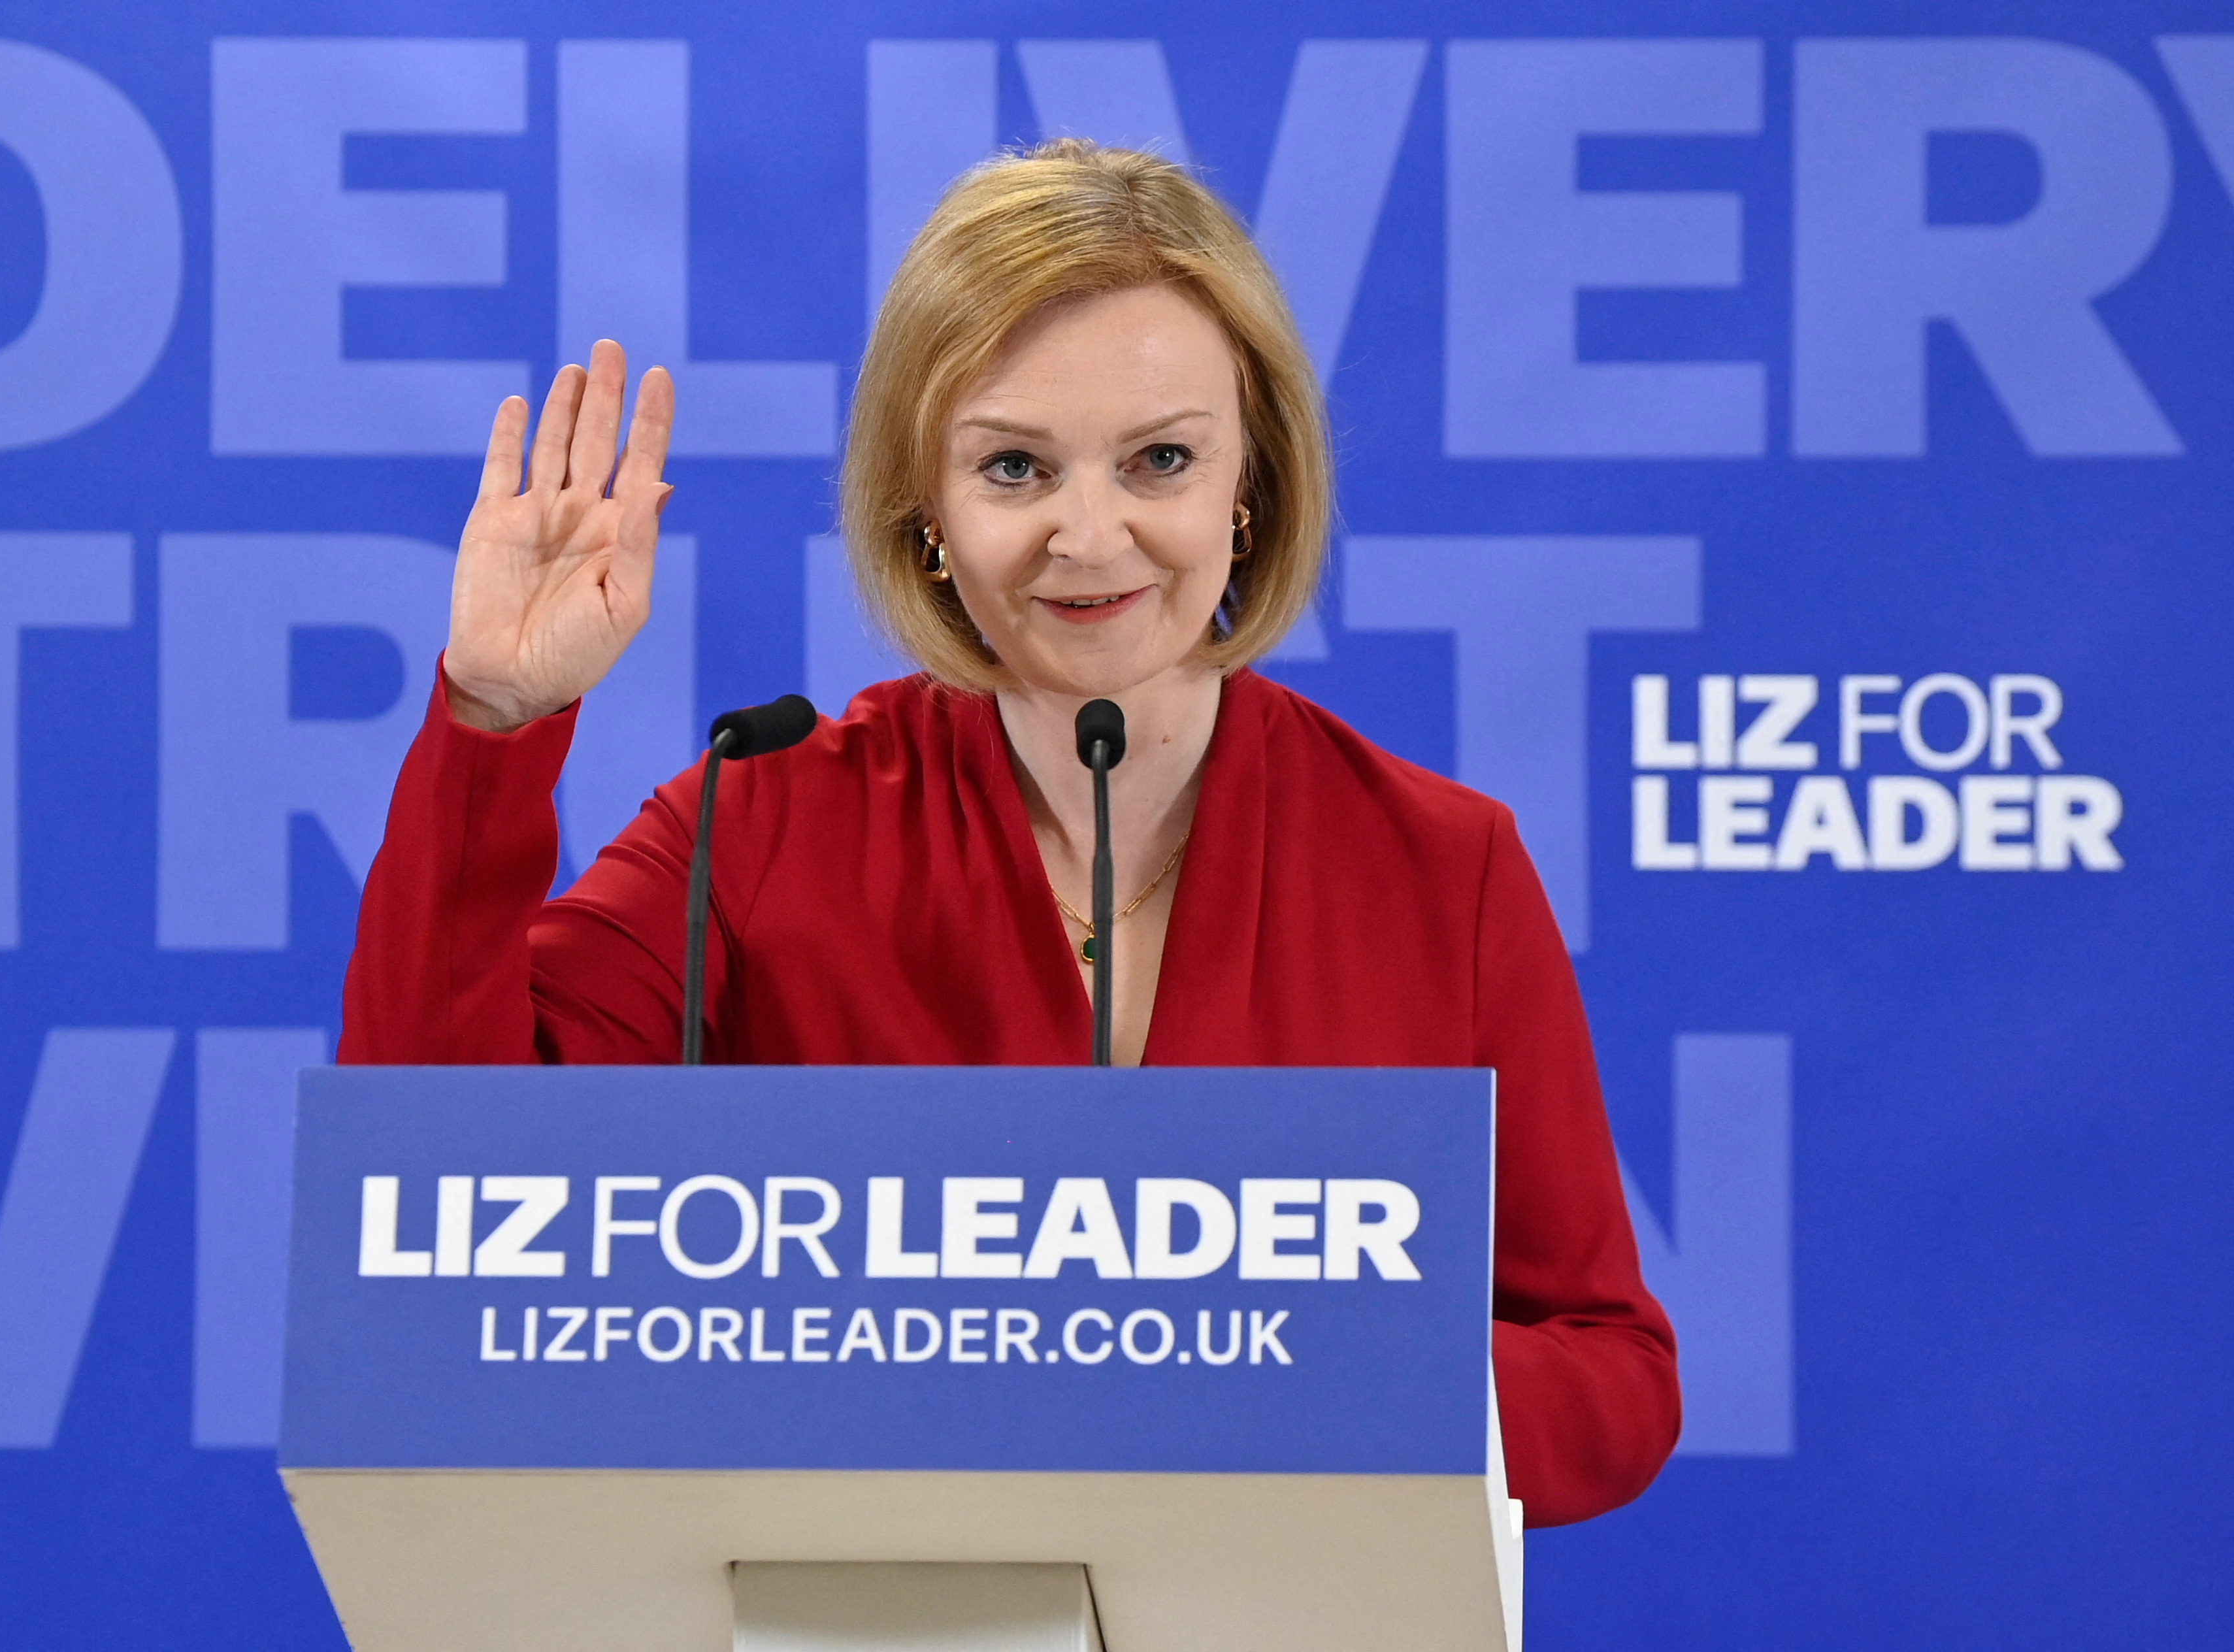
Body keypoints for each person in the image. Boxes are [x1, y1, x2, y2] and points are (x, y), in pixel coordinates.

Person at [341, 140, 1679, 1525]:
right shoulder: (762, 820)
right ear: (926, 505)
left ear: (1251, 475)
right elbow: (434, 1193)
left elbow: (1610, 1372)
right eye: (1016, 468)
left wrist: (1310, 1381)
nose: (1089, 538)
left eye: (1160, 459)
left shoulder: (1440, 865)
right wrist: (492, 726)